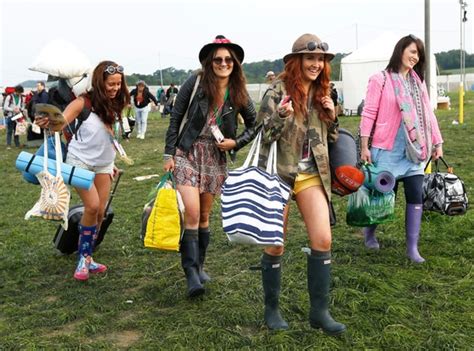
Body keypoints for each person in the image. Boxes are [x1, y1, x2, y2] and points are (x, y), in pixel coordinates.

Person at [256, 33, 345, 335]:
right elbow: (263, 136)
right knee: (275, 243)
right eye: (310, 59)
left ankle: (319, 312)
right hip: (278, 174)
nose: (316, 65)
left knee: (323, 240)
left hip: (311, 175)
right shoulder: (276, 92)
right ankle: (272, 309)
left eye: (320, 59)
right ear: (296, 62)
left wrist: (332, 117)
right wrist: (281, 117)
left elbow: (331, 138)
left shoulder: (325, 91)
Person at [163, 35, 257, 298]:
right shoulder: (194, 82)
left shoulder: (238, 91)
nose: (223, 63)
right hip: (188, 151)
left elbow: (255, 124)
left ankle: (201, 265)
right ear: (209, 61)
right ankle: (191, 273)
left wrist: (236, 143)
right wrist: (168, 153)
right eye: (218, 59)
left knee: (204, 215)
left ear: (235, 63)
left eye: (228, 59)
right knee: (191, 212)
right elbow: (176, 117)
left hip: (215, 157)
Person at [36, 61, 130, 280]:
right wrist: (46, 121)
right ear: (99, 82)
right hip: (80, 162)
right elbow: (60, 123)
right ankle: (82, 259)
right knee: (92, 206)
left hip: (104, 165)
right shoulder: (82, 103)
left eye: (118, 84)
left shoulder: (116, 104)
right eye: (111, 84)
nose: (115, 88)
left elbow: (108, 135)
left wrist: (112, 161)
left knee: (100, 212)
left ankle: (88, 257)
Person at [359, 34, 443, 263]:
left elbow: (428, 113)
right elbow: (369, 113)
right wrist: (364, 145)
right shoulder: (380, 79)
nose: (416, 57)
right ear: (401, 50)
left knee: (415, 195)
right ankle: (370, 234)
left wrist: (438, 142)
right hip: (386, 149)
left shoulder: (418, 82)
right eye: (412, 51)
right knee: (384, 197)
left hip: (414, 149)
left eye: (419, 54)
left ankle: (412, 247)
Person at [3, 85, 25, 149]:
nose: (20, 94)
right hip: (10, 116)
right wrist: (13, 110)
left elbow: (23, 105)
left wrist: (21, 109)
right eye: (19, 92)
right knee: (9, 131)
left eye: (21, 93)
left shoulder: (21, 97)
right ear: (16, 91)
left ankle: (17, 144)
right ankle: (8, 145)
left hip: (17, 116)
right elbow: (5, 107)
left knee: (16, 130)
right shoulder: (9, 97)